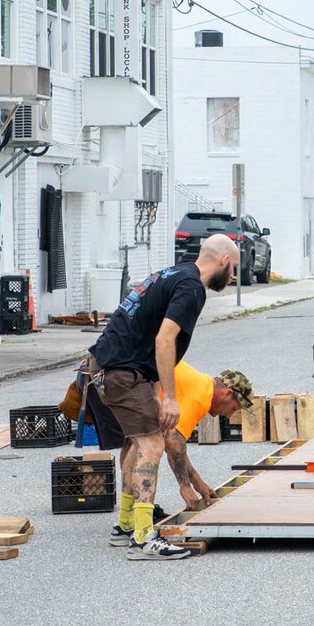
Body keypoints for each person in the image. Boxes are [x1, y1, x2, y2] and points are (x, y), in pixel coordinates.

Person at [86, 234, 238, 558]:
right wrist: (169, 397)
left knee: (135, 442)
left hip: (107, 364)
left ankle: (126, 525)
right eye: (234, 267)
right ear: (224, 261)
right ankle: (143, 537)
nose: (234, 276)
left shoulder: (174, 273)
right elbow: (165, 340)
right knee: (151, 444)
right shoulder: (192, 286)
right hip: (121, 370)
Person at [87, 361, 253, 546]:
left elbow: (175, 445)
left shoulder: (199, 386)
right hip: (115, 380)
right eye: (234, 408)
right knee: (148, 445)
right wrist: (185, 486)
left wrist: (197, 483)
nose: (229, 416)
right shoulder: (200, 397)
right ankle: (133, 529)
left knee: (140, 444)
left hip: (108, 376)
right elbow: (174, 443)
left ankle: (126, 525)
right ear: (227, 393)